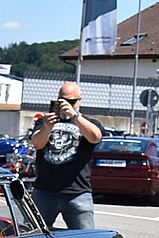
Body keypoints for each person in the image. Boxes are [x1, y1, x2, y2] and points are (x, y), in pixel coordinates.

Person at [29, 81, 103, 230]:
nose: (66, 105)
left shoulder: (88, 122)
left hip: (77, 192)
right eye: (62, 101)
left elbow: (95, 137)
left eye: (71, 101)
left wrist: (75, 116)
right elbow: (37, 143)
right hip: (45, 190)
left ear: (79, 101)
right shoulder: (45, 121)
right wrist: (47, 127)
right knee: (34, 234)